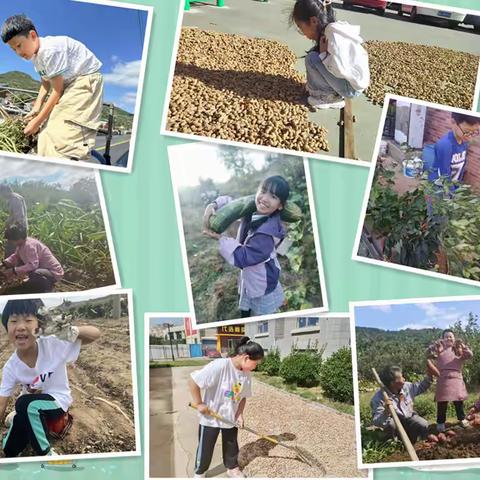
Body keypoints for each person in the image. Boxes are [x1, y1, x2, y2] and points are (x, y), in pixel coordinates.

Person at [0, 299, 101, 457]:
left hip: (56, 404)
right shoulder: (11, 367)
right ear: (6, 327)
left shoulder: (53, 344)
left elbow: (95, 333)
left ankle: (46, 454)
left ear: (39, 326)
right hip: (29, 410)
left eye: (28, 320)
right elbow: (2, 401)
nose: (20, 326)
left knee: (24, 403)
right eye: (13, 321)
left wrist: (67, 331)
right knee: (9, 449)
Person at [1, 14, 104, 160]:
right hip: (68, 85)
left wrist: (36, 122)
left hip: (84, 80)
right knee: (46, 132)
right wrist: (37, 108)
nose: (18, 53)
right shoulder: (36, 58)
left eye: (19, 45)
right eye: (13, 50)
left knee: (64, 133)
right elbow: (45, 82)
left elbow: (56, 91)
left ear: (32, 35)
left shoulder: (49, 51)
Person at [203, 176, 289, 318]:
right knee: (247, 298)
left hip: (262, 280)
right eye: (263, 191)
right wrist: (213, 205)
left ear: (280, 205)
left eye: (273, 196)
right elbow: (233, 204)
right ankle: (245, 313)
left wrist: (221, 239)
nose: (265, 198)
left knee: (260, 312)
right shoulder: (252, 208)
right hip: (251, 274)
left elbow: (244, 257)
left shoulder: (266, 235)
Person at [188, 336, 264, 478]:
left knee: (231, 445)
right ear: (246, 358)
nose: (256, 367)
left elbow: (243, 397)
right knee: (205, 448)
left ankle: (232, 468)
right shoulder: (220, 366)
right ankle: (199, 472)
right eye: (256, 363)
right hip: (211, 417)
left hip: (230, 418)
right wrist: (199, 403)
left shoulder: (246, 374)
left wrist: (239, 414)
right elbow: (193, 381)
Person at [290, 0, 369, 109]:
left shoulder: (333, 38)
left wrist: (324, 56)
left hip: (350, 88)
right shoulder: (331, 30)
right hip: (352, 83)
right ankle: (328, 91)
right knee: (315, 54)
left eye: (300, 27)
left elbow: (339, 69)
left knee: (312, 59)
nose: (302, 32)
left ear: (313, 21)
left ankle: (328, 98)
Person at [371, 365, 434, 443]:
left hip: (409, 418)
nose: (404, 379)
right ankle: (394, 442)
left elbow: (421, 386)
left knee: (423, 423)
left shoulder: (406, 387)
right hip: (394, 423)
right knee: (390, 424)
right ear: (392, 383)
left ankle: (417, 440)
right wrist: (386, 412)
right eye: (401, 377)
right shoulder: (378, 398)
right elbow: (376, 421)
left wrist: (430, 375)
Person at [426, 329, 473, 432]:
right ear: (443, 339)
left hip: (456, 378)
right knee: (442, 402)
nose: (449, 338)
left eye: (450, 336)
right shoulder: (439, 349)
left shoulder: (458, 350)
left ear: (454, 338)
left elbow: (469, 355)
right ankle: (440, 422)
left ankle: (462, 418)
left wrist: (463, 346)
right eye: (446, 337)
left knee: (458, 401)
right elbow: (428, 353)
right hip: (443, 378)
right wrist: (434, 346)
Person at [0, 225, 64, 294]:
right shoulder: (21, 245)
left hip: (53, 272)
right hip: (43, 269)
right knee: (28, 271)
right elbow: (16, 256)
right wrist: (4, 263)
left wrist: (14, 270)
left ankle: (46, 288)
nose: (10, 242)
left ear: (17, 238)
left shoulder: (29, 246)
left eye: (11, 240)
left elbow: (33, 265)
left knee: (36, 273)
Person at [428, 112, 480, 189]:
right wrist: (451, 193)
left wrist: (457, 185)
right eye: (466, 132)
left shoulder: (464, 142)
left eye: (475, 132)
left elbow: (462, 166)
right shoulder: (445, 145)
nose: (470, 136)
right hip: (438, 187)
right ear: (453, 122)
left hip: (452, 185)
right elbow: (444, 174)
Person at [0, 184, 28, 257]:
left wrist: (11, 228)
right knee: (14, 250)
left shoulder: (15, 199)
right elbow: (13, 215)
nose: (1, 195)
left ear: (5, 191)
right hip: (17, 228)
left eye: (1, 192)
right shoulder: (13, 199)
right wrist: (7, 224)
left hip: (17, 230)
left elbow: (19, 217)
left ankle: (8, 266)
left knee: (11, 250)